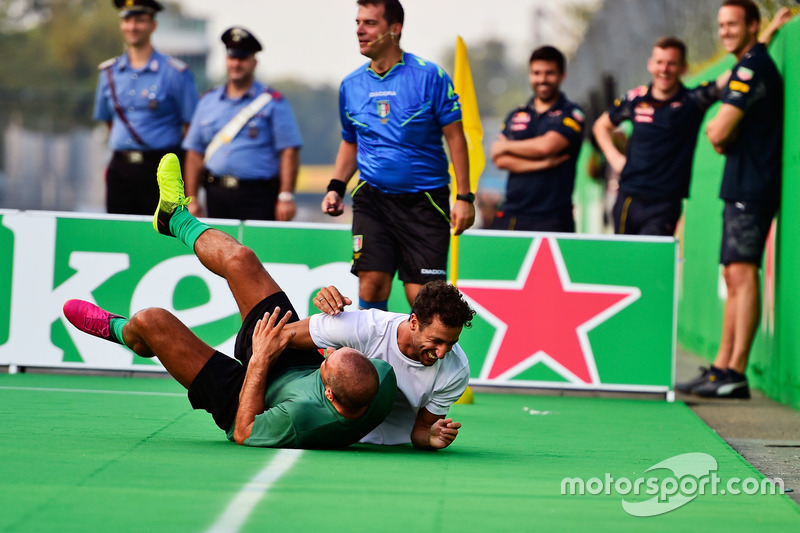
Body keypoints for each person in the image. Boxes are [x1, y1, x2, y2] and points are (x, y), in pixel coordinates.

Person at [63, 153, 396, 448]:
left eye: (329, 360)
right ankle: (174, 218)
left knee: (152, 321)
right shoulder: (379, 380)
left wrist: (261, 359)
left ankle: (121, 331)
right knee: (242, 260)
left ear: (328, 393)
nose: (332, 352)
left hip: (245, 399)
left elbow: (244, 432)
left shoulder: (303, 419)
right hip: (294, 362)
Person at [321, 0, 475, 311]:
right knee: (371, 281)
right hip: (373, 198)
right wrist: (336, 187)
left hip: (425, 201)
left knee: (423, 299)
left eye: (370, 23)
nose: (360, 31)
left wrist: (465, 196)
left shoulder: (430, 75)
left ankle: (420, 360)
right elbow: (350, 140)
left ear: (395, 29)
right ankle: (370, 360)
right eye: (357, 22)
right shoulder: (350, 85)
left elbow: (456, 137)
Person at [679, 1, 791, 398]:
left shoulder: (751, 67)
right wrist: (769, 33)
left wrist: (720, 132)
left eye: (733, 24)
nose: (724, 31)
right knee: (732, 274)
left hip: (752, 187)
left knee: (742, 275)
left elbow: (717, 130)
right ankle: (722, 368)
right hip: (743, 185)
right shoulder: (753, 58)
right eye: (721, 24)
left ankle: (735, 372)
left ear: (752, 25)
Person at [310, 280, 474, 450]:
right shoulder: (367, 327)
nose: (441, 353)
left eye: (451, 343)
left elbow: (422, 431)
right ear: (413, 323)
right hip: (329, 429)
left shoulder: (456, 370)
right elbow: (289, 334)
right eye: (436, 341)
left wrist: (431, 437)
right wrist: (325, 305)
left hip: (394, 447)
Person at [592, 37, 725, 236]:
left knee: (650, 263)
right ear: (650, 64)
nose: (664, 69)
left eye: (671, 64)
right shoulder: (636, 99)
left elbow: (733, 75)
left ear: (683, 68)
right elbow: (600, 126)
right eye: (659, 62)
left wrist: (759, 43)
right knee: (622, 264)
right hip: (628, 198)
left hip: (664, 205)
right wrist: (616, 159)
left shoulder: (692, 101)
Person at [182, 27, 303, 221]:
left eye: (243, 58)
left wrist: (286, 195)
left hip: (258, 196)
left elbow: (289, 150)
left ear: (254, 63)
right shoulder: (207, 102)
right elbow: (194, 152)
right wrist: (192, 199)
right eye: (232, 58)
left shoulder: (272, 102)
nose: (236, 64)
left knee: (257, 250)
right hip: (216, 194)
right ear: (226, 60)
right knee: (216, 251)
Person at [93, 0, 198, 215]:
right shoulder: (109, 73)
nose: (133, 27)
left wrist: (188, 185)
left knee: (162, 237)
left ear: (153, 25)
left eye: (140, 20)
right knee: (119, 233)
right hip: (120, 168)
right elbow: (109, 121)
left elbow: (192, 131)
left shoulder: (175, 72)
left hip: (161, 168)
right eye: (127, 20)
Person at [490, 46, 585, 233]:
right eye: (536, 73)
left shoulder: (572, 113)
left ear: (562, 76)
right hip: (512, 213)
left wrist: (507, 146)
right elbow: (500, 159)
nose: (542, 79)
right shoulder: (517, 114)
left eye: (549, 73)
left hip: (554, 217)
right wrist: (543, 165)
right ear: (529, 75)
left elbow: (547, 147)